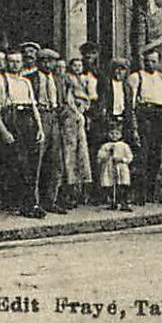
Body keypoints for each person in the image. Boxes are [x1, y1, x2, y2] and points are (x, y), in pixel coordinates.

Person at [0, 50, 45, 218]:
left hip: (28, 122)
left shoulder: (26, 82)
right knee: (19, 164)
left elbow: (34, 107)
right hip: (12, 121)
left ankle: (31, 203)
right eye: (11, 61)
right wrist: (4, 130)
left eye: (18, 61)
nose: (15, 64)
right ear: (6, 63)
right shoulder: (0, 80)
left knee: (32, 163)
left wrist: (39, 128)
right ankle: (22, 204)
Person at [128, 49, 162, 203]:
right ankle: (140, 194)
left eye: (154, 61)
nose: (150, 64)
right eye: (148, 61)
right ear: (143, 61)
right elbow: (131, 100)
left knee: (156, 156)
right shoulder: (136, 77)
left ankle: (152, 193)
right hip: (144, 115)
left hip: (159, 117)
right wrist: (134, 120)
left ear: (158, 62)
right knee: (142, 155)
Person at [92, 58, 139, 203]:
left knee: (123, 155)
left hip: (123, 122)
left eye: (123, 69)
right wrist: (105, 121)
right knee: (106, 156)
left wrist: (132, 127)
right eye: (117, 69)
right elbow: (102, 104)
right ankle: (105, 192)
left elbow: (129, 108)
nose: (119, 72)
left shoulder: (126, 87)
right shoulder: (106, 84)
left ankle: (122, 193)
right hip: (109, 121)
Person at [33, 48, 68, 214]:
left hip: (54, 117)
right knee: (37, 161)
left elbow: (63, 101)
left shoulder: (59, 80)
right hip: (39, 117)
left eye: (50, 61)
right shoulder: (31, 79)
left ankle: (50, 200)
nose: (47, 64)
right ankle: (34, 202)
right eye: (44, 61)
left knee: (55, 161)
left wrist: (60, 116)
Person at [60, 57, 95, 209]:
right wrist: (75, 109)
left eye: (80, 65)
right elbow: (68, 98)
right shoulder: (68, 80)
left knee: (82, 153)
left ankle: (81, 190)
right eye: (74, 65)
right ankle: (69, 188)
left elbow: (90, 96)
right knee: (70, 151)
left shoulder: (86, 79)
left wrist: (84, 108)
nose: (77, 68)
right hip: (71, 116)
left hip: (81, 116)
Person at [96, 124, 135, 212]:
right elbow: (100, 156)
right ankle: (113, 202)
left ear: (120, 135)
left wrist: (122, 159)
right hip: (109, 168)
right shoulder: (106, 146)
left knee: (122, 185)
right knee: (110, 185)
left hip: (121, 168)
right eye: (112, 133)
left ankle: (123, 203)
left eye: (116, 133)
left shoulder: (124, 145)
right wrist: (106, 155)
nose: (114, 136)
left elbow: (130, 157)